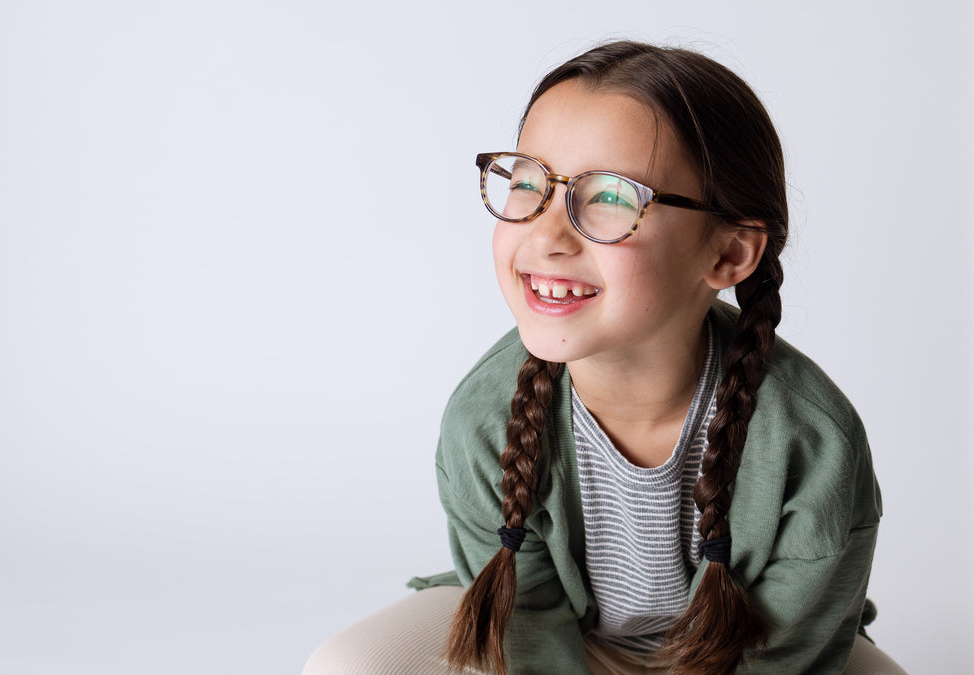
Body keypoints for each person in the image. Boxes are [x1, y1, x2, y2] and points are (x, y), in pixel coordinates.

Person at [304, 41, 905, 674]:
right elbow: (526, 620)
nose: (547, 235)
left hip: (740, 654)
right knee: (348, 664)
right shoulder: (484, 418)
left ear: (728, 254)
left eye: (611, 197)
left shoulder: (813, 442)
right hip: (560, 639)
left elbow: (787, 653)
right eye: (529, 183)